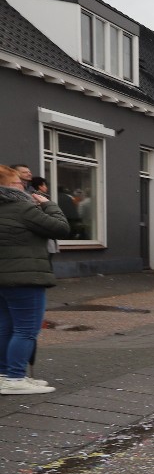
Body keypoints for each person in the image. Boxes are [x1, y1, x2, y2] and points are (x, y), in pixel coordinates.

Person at [0, 165, 71, 395]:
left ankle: (5, 374)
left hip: (4, 278)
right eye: (18, 182)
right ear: (8, 186)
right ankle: (15, 378)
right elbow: (61, 228)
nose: (23, 186)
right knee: (26, 329)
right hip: (25, 276)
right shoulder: (22, 207)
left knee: (6, 326)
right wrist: (48, 204)